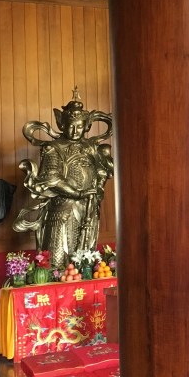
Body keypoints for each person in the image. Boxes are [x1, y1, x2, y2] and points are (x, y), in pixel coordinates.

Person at [13, 88, 114, 269]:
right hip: (62, 208)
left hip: (88, 208)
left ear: (86, 126)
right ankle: (55, 277)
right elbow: (52, 178)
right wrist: (78, 193)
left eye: (79, 126)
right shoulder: (54, 148)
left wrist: (99, 185)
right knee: (57, 257)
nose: (75, 131)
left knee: (85, 257)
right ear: (62, 124)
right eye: (70, 126)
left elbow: (101, 171)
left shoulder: (91, 147)